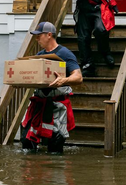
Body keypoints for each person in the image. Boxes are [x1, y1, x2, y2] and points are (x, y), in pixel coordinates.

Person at [20, 21, 83, 154]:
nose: (37, 39)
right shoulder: (40, 56)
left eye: (39, 35)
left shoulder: (65, 53)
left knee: (55, 145)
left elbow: (78, 77)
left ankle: (54, 169)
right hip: (39, 103)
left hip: (57, 105)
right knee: (26, 141)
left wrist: (63, 80)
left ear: (49, 35)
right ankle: (29, 172)